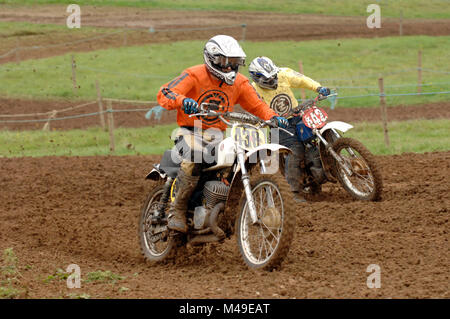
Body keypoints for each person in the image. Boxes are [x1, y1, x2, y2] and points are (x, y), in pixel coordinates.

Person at [156, 35, 288, 233]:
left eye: (234, 63)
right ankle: (177, 210)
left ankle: (221, 205)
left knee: (236, 157)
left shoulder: (240, 83)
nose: (229, 68)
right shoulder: (193, 75)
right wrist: (183, 101)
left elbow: (258, 105)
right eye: (225, 62)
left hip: (218, 134)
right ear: (212, 59)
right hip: (190, 130)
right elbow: (165, 92)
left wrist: (273, 117)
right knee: (195, 153)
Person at [248, 56, 331, 203]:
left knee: (316, 136)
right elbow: (254, 108)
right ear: (258, 79)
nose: (273, 81)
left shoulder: (283, 74)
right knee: (295, 151)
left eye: (274, 77)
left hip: (297, 115)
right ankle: (293, 192)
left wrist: (318, 87)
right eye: (268, 80)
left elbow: (301, 80)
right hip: (277, 126)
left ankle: (328, 168)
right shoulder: (252, 90)